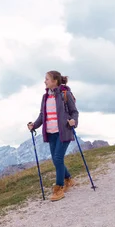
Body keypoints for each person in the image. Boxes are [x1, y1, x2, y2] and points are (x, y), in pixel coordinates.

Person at [27, 71, 79, 201]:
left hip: (64, 131)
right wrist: (34, 125)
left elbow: (74, 112)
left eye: (47, 79)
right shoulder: (45, 97)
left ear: (55, 81)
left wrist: (74, 121)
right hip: (50, 133)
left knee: (57, 158)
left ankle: (59, 188)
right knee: (56, 160)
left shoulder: (65, 95)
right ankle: (69, 180)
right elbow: (42, 115)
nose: (45, 81)